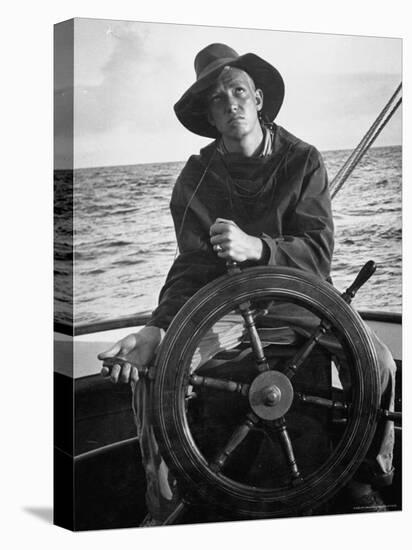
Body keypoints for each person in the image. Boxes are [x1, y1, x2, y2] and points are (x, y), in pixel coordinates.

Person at [98, 43, 396, 525]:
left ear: (258, 98)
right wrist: (155, 329)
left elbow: (318, 256)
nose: (230, 103)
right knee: (154, 374)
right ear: (209, 115)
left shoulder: (304, 160)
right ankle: (164, 502)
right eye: (218, 99)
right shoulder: (196, 176)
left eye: (238, 91)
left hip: (301, 301)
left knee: (379, 363)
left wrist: (257, 247)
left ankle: (368, 476)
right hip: (230, 312)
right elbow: (190, 269)